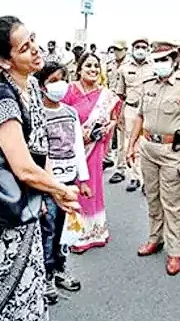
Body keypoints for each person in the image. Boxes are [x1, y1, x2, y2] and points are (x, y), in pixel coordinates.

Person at [0, 15, 80, 321]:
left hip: (26, 216)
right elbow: (23, 167)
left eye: (34, 40)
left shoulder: (33, 91)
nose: (36, 50)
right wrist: (61, 189)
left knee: (29, 300)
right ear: (4, 60)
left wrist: (52, 191)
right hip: (2, 225)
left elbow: (41, 153)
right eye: (25, 48)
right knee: (6, 305)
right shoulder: (2, 98)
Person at [127, 40, 180, 276]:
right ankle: (154, 239)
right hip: (148, 148)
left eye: (164, 60)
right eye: (156, 60)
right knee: (153, 198)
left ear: (174, 61)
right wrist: (131, 145)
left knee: (173, 204)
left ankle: (174, 251)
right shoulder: (148, 84)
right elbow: (139, 117)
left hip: (172, 152)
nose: (159, 64)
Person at [35, 62, 88, 304]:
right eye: (53, 80)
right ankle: (46, 275)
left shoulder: (70, 112)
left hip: (70, 182)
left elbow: (78, 147)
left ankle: (60, 268)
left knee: (65, 231)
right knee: (48, 229)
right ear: (42, 86)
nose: (59, 85)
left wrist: (83, 179)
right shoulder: (37, 114)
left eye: (62, 79)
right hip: (49, 184)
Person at [62, 52, 122, 254]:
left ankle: (95, 232)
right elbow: (60, 118)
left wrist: (107, 127)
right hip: (72, 149)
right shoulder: (69, 91)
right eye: (88, 65)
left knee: (92, 186)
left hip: (94, 149)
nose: (93, 70)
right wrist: (79, 133)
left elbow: (115, 118)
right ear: (79, 69)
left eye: (96, 66)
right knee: (75, 188)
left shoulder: (106, 95)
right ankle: (74, 234)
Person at [117, 37, 154, 193]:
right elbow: (120, 94)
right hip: (131, 110)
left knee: (148, 145)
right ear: (132, 49)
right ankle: (134, 177)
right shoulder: (124, 68)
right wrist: (118, 115)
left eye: (143, 47)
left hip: (150, 111)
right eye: (137, 47)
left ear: (148, 49)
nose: (140, 50)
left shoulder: (154, 67)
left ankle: (147, 180)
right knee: (130, 144)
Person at [106, 40, 129, 185]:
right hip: (111, 102)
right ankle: (107, 158)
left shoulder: (131, 66)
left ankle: (122, 167)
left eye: (119, 49)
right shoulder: (109, 65)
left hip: (127, 103)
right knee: (108, 132)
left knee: (124, 137)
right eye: (114, 49)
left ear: (126, 50)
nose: (116, 52)